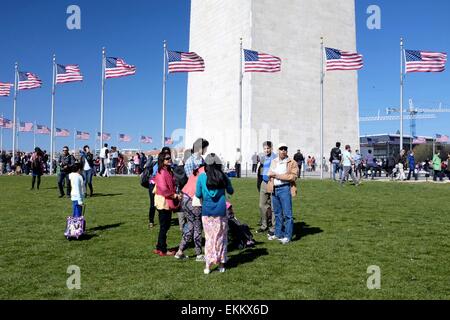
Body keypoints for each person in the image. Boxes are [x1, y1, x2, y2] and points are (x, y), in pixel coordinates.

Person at [196, 153, 234, 274]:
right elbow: (231, 191)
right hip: (220, 211)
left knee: (209, 238)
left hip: (207, 211)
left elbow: (197, 194)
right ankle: (221, 263)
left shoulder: (201, 177)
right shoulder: (223, 176)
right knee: (221, 238)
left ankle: (208, 265)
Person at [266, 143, 298, 244]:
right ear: (278, 150)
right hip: (274, 189)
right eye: (281, 149)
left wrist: (277, 175)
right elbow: (270, 173)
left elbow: (292, 177)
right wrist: (270, 176)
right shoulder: (274, 161)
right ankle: (278, 233)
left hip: (285, 189)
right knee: (277, 213)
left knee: (288, 214)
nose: (283, 150)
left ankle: (287, 236)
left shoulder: (291, 162)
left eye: (285, 149)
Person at [174, 163, 206, 261]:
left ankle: (179, 252)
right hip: (193, 201)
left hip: (184, 198)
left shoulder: (195, 172)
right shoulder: (205, 173)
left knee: (190, 226)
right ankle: (199, 255)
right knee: (197, 227)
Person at [152, 152, 181, 256]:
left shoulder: (168, 171)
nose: (169, 160)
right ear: (162, 161)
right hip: (163, 202)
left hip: (165, 200)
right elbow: (164, 189)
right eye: (167, 159)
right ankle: (163, 250)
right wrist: (174, 196)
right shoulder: (161, 173)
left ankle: (159, 247)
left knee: (164, 226)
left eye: (170, 158)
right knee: (165, 226)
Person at [256, 141, 277, 235]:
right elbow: (261, 170)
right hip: (263, 183)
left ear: (271, 148)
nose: (266, 150)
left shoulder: (275, 157)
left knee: (273, 206)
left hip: (272, 182)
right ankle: (264, 225)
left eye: (268, 148)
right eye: (265, 148)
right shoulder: (263, 158)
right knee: (262, 205)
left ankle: (273, 227)